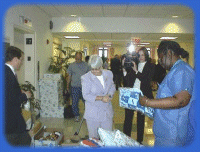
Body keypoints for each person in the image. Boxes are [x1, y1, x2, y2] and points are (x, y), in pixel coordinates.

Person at [139, 40, 195, 147]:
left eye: (161, 57)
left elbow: (180, 100)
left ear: (169, 53)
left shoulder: (181, 71)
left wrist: (148, 102)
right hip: (167, 133)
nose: (160, 61)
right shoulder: (176, 70)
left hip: (172, 136)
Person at [122, 47, 155, 144]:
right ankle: (126, 138)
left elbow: (146, 81)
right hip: (131, 94)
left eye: (142, 55)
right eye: (139, 55)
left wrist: (136, 71)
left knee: (141, 119)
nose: (140, 57)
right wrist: (124, 68)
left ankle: (139, 140)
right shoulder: (134, 64)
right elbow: (128, 80)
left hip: (142, 95)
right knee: (128, 117)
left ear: (146, 56)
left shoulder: (150, 66)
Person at [81, 55, 116, 139]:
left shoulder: (109, 73)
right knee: (94, 139)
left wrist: (109, 95)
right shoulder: (85, 78)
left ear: (101, 66)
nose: (94, 71)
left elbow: (112, 87)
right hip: (93, 113)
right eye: (92, 69)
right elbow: (85, 95)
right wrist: (101, 98)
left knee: (108, 138)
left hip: (106, 112)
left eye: (97, 69)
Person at [5, 46, 32, 146]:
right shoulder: (8, 74)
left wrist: (19, 92)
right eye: (21, 60)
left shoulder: (7, 71)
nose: (21, 62)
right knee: (23, 141)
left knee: (25, 139)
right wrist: (25, 96)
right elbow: (10, 99)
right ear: (15, 59)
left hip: (11, 119)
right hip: (10, 120)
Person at [67, 52, 90, 122]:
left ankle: (87, 115)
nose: (78, 60)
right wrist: (67, 86)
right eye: (77, 59)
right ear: (75, 58)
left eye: (79, 59)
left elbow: (90, 76)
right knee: (74, 102)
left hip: (84, 87)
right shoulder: (71, 66)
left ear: (82, 58)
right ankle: (76, 115)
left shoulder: (86, 65)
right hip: (74, 87)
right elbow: (69, 76)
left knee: (86, 102)